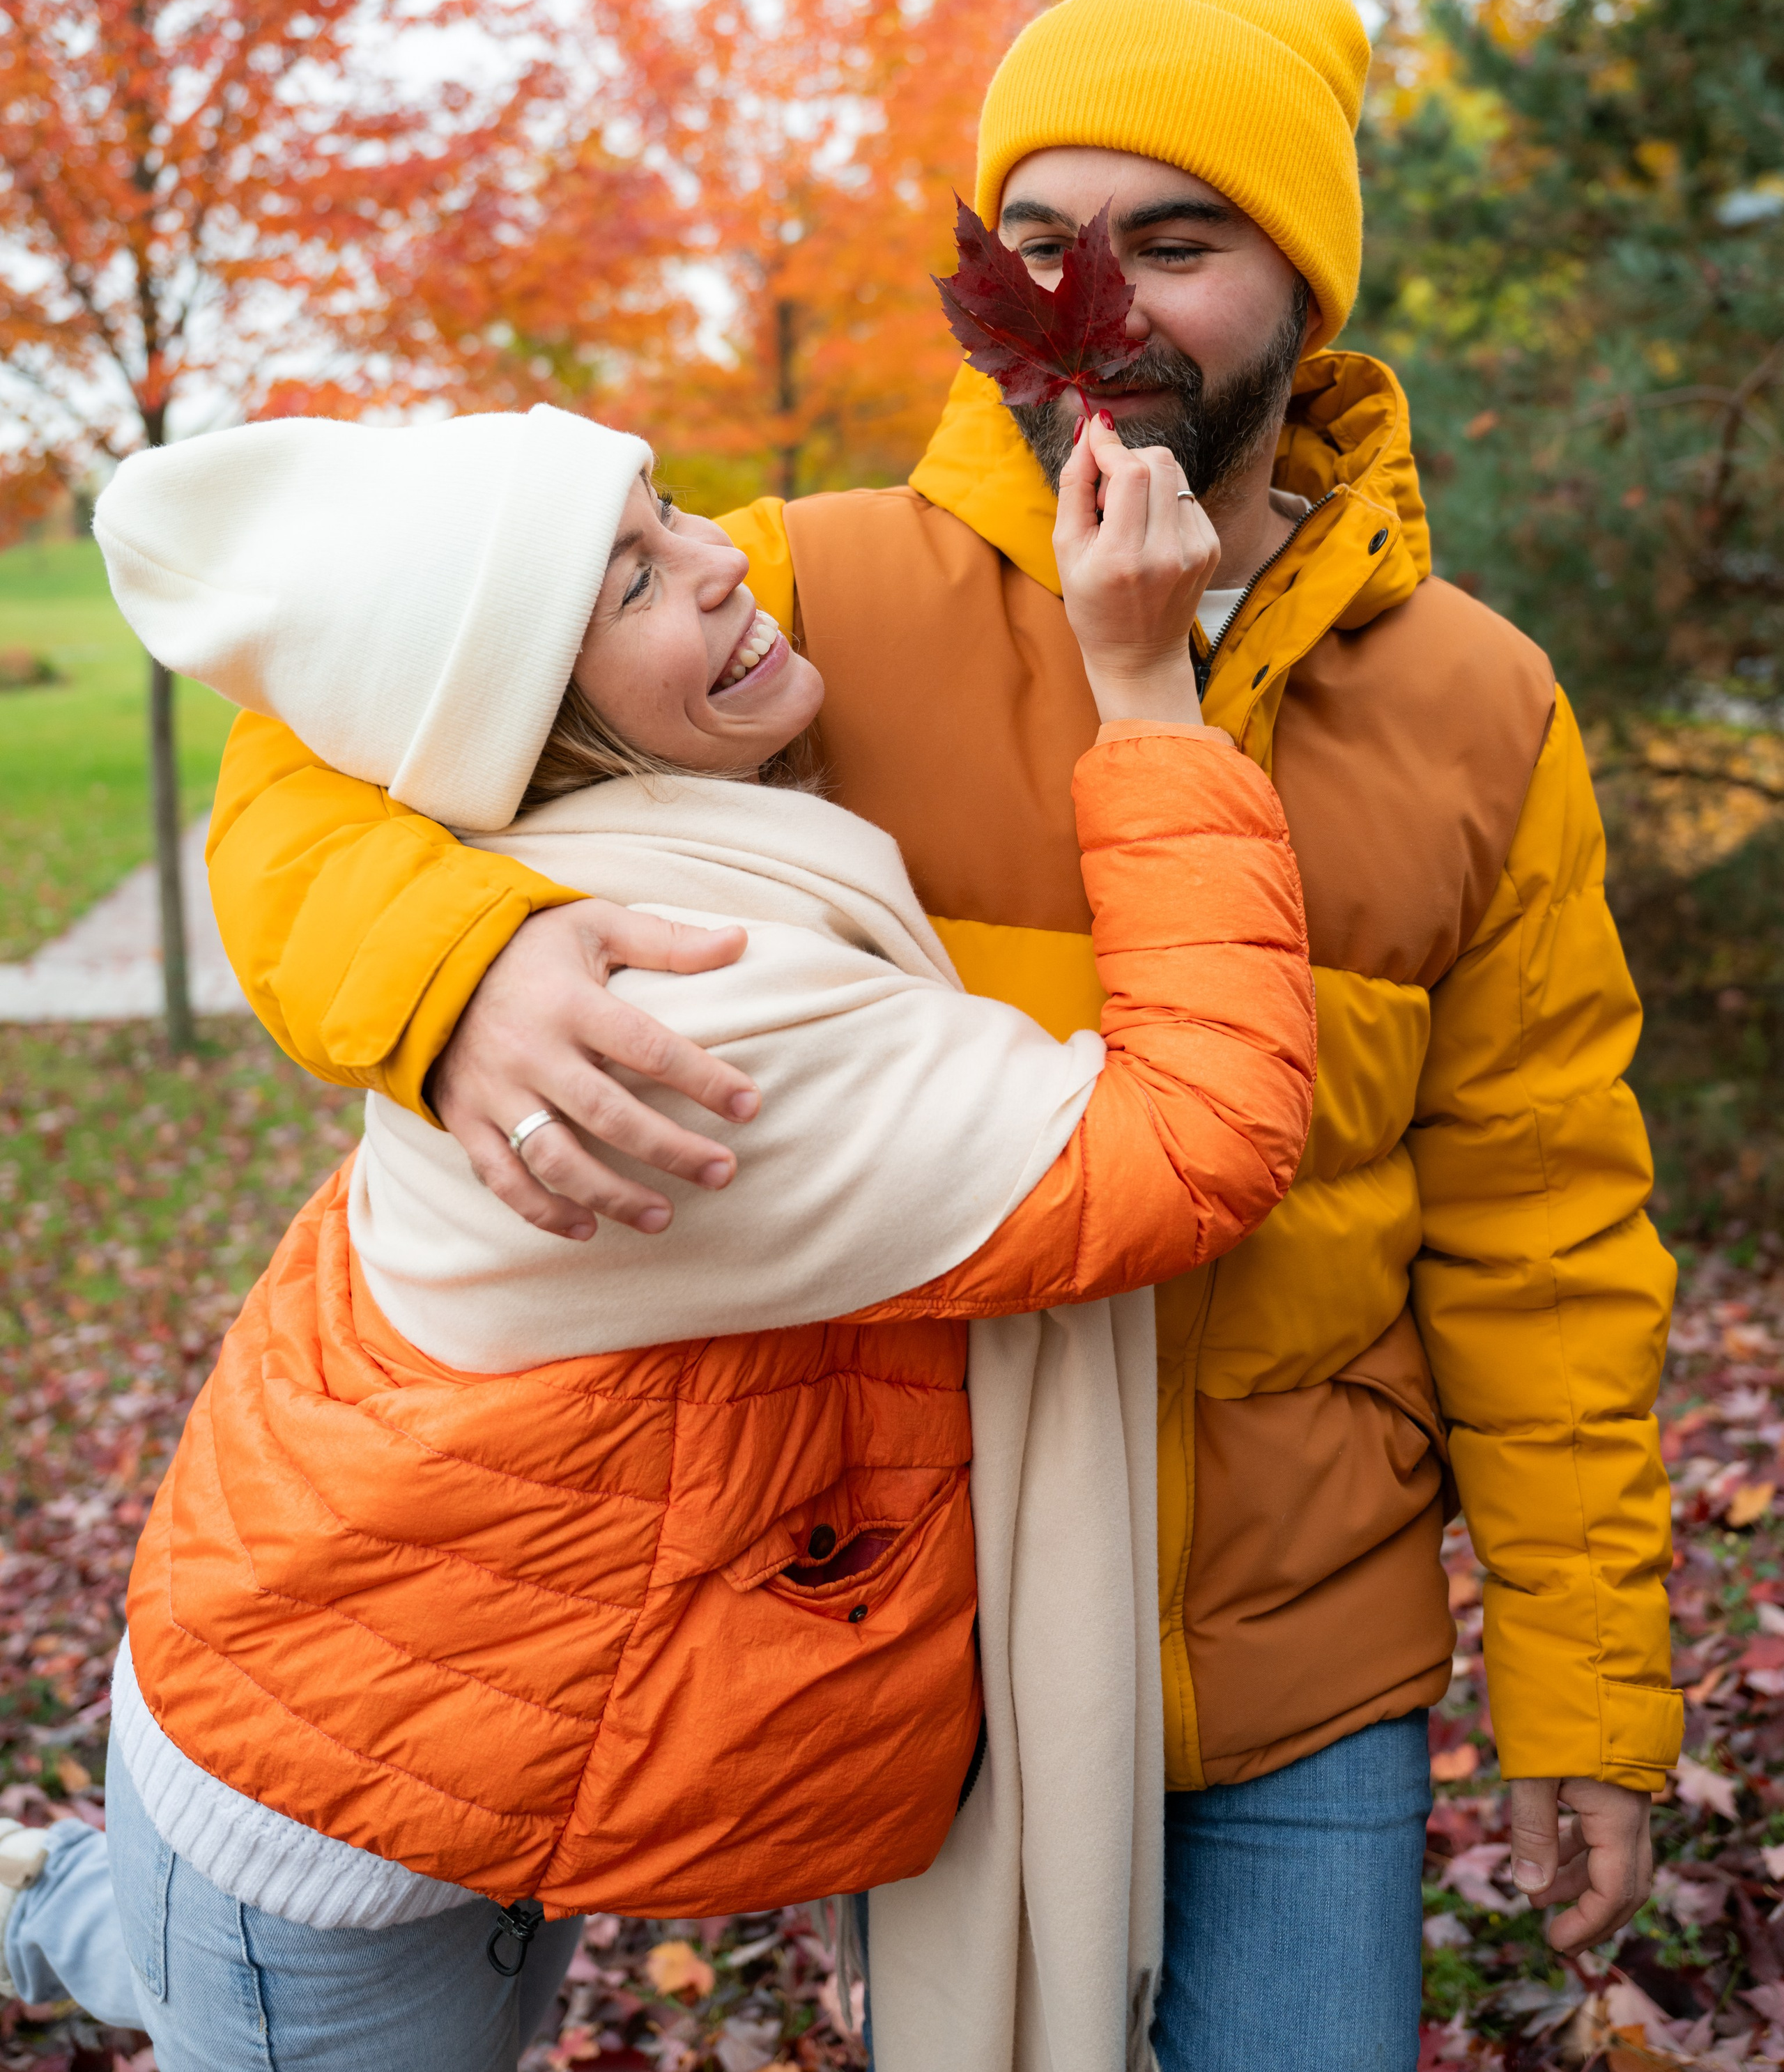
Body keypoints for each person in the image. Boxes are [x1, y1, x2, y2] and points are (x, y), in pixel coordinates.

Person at [124, 0, 1678, 2072]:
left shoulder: (1480, 707)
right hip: (923, 1639)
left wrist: (1590, 1681)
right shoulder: (813, 596)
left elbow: (1548, 1223)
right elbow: (334, 716)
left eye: (1176, 238)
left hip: (1301, 1647)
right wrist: (452, 969)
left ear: (1309, 289)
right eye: (1033, 240)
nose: (1095, 306)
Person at [0, 399, 1314, 2072]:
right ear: (520, 722)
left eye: (672, 510)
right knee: (206, 1970)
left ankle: (47, 1900)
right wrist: (1141, 687)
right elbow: (1191, 1144)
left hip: (447, 1729)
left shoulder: (524, 872)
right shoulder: (676, 1010)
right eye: (626, 583)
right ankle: (58, 1909)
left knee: (174, 1946)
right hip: (326, 1824)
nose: (719, 561)